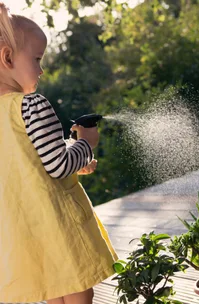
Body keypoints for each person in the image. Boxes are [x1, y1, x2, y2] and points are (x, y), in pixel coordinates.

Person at [0, 3, 118, 304]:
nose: (41, 69)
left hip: (21, 228)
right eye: (37, 59)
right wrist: (86, 143)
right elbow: (57, 164)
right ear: (8, 57)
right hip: (54, 221)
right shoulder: (32, 105)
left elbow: (28, 160)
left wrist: (73, 156)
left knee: (54, 291)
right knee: (78, 289)